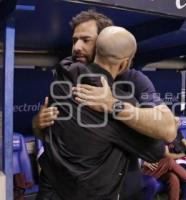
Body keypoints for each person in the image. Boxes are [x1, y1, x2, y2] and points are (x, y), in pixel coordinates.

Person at [32, 10, 177, 199]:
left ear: (104, 41)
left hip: (122, 187)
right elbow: (53, 135)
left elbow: (167, 129)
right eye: (74, 40)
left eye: (86, 40)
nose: (76, 47)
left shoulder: (135, 81)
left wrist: (113, 104)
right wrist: (37, 124)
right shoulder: (66, 75)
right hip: (60, 186)